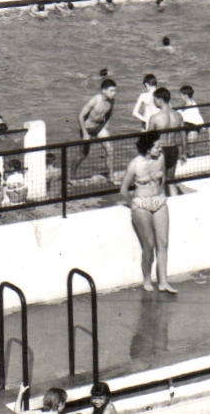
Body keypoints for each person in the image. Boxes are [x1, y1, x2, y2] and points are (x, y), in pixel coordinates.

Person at [120, 131, 175, 293]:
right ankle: (146, 278)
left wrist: (160, 193)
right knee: (149, 245)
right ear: (147, 148)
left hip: (159, 201)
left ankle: (163, 281)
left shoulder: (160, 159)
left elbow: (163, 179)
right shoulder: (135, 164)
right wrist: (134, 205)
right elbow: (123, 189)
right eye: (156, 146)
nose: (160, 149)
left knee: (163, 243)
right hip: (141, 205)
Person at [72, 79, 119, 179]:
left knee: (110, 150)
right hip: (87, 128)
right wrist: (84, 133)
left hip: (99, 128)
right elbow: (80, 116)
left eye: (114, 91)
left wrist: (106, 125)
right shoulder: (95, 100)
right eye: (111, 91)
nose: (114, 93)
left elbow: (109, 114)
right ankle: (71, 176)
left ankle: (110, 176)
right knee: (83, 154)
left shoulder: (112, 101)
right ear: (104, 90)